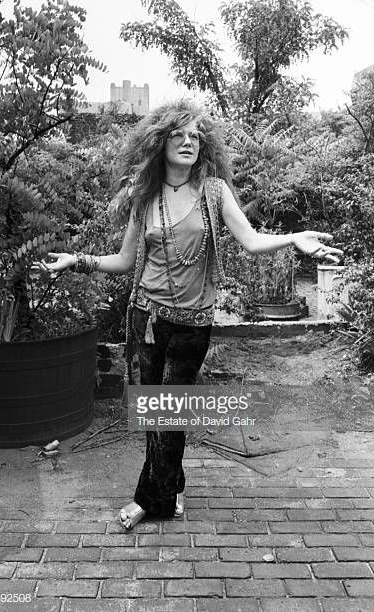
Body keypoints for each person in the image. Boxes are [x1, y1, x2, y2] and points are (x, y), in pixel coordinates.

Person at [34, 99, 343, 530]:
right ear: (160, 143)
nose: (188, 142)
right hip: (146, 319)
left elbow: (251, 241)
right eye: (178, 135)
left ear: (205, 145)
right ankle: (173, 484)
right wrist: (77, 261)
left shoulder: (214, 191)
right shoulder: (146, 197)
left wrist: (294, 238)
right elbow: (125, 261)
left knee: (170, 414)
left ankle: (150, 499)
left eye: (195, 136)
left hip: (193, 322)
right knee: (152, 412)